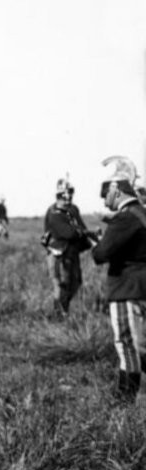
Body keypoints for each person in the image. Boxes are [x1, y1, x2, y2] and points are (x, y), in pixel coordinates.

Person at [91, 155, 146, 403]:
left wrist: (99, 242)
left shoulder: (125, 218)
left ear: (116, 188)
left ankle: (125, 401)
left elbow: (101, 254)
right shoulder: (141, 212)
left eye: (106, 192)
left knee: (127, 345)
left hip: (127, 289)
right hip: (141, 287)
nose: (105, 199)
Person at [43, 177, 94, 315]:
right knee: (61, 285)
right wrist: (82, 232)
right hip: (58, 254)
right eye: (64, 195)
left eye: (70, 193)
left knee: (76, 283)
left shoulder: (73, 209)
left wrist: (85, 233)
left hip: (72, 252)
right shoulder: (53, 213)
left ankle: (62, 309)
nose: (68, 198)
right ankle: (58, 315)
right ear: (58, 196)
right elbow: (68, 233)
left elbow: (81, 227)